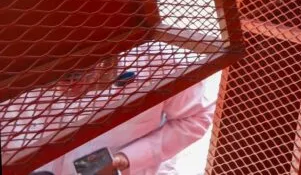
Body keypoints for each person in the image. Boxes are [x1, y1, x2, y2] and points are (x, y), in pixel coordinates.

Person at [28, 47, 217, 174]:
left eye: (80, 74)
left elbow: (196, 118)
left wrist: (129, 157)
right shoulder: (22, 58)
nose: (72, 85)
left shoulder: (160, 59)